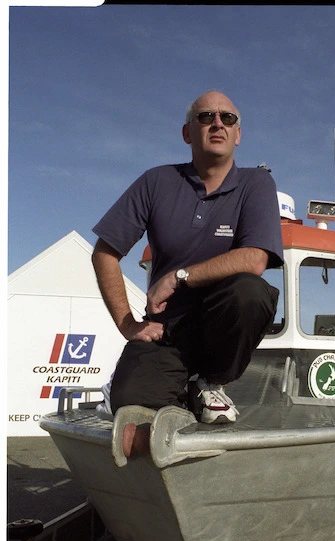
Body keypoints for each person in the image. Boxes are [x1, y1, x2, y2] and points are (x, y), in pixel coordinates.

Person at [91, 90, 283, 431]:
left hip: (217, 331)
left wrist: (177, 277)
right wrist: (127, 324)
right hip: (165, 330)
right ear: (186, 133)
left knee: (250, 292)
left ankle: (211, 382)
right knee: (129, 407)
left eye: (229, 118)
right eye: (206, 117)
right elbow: (105, 253)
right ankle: (171, 392)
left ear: (238, 134)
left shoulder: (257, 183)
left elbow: (255, 258)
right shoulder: (156, 182)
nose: (218, 124)